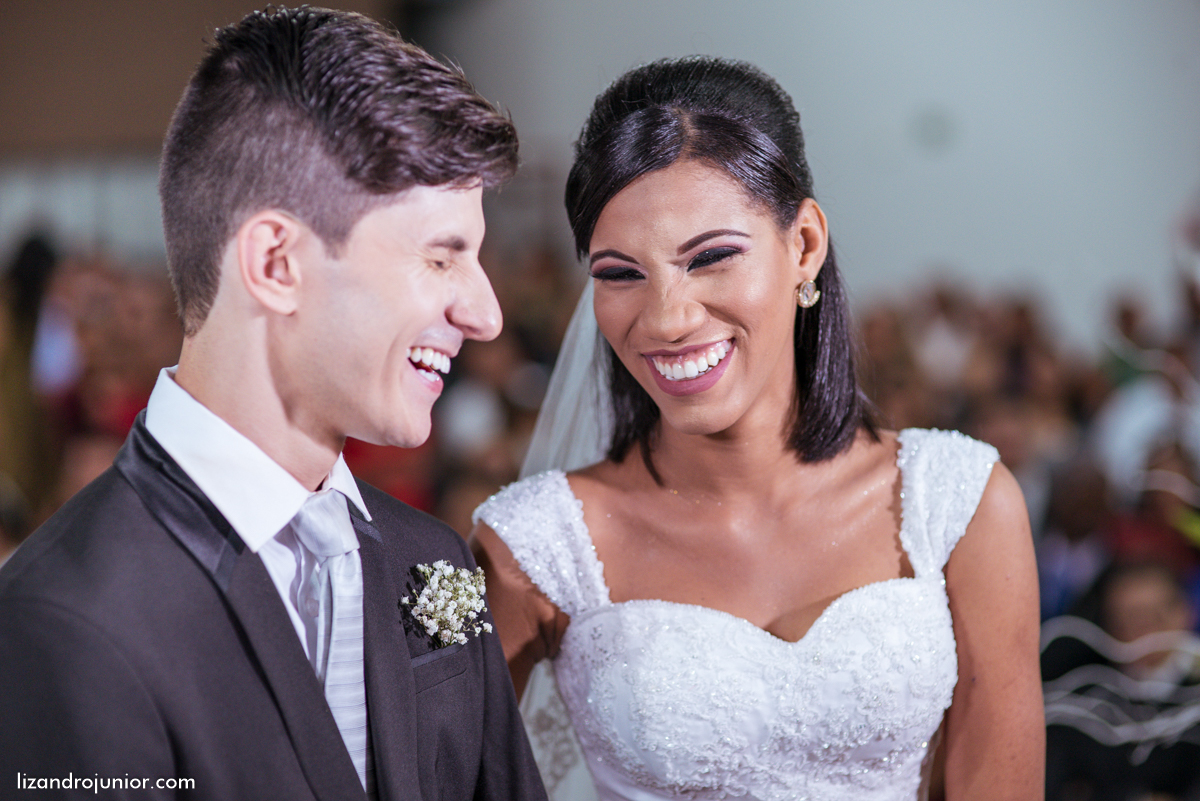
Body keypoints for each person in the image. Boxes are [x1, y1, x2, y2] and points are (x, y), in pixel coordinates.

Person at [0, 8, 546, 801]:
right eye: (440, 257)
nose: (486, 314)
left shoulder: (434, 560)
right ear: (277, 262)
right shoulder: (65, 621)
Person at [470, 56, 1044, 800]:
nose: (669, 318)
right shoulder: (536, 547)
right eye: (620, 273)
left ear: (804, 244)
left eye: (710, 257)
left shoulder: (960, 505)